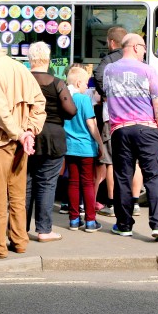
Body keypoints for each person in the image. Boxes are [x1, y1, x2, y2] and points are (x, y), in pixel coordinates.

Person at [0, 36, 46, 258]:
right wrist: (29, 131)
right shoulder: (20, 68)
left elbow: (0, 111)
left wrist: (22, 133)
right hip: (20, 141)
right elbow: (39, 104)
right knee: (17, 194)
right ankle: (19, 240)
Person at [103, 33, 158, 240]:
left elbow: (107, 95)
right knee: (155, 177)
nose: (145, 52)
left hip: (120, 130)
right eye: (144, 48)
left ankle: (123, 225)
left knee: (122, 176)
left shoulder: (109, 70)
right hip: (147, 129)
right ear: (136, 47)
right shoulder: (147, 70)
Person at [25, 42, 76, 242]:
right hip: (53, 137)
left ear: (30, 60)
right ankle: (44, 230)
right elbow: (71, 111)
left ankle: (21, 230)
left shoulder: (24, 81)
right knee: (46, 184)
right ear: (48, 59)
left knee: (26, 183)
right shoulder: (58, 83)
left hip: (27, 135)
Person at [93, 26, 143, 218]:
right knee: (135, 161)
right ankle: (135, 202)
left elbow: (98, 77)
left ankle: (113, 204)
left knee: (112, 162)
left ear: (112, 43)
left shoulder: (109, 60)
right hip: (137, 118)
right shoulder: (140, 62)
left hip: (114, 118)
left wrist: (107, 94)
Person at [65, 66, 106, 232]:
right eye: (85, 84)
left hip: (69, 147)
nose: (86, 87)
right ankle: (90, 221)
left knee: (73, 183)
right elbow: (91, 124)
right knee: (88, 183)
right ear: (78, 82)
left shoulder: (64, 98)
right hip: (86, 147)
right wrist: (100, 143)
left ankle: (74, 220)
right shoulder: (83, 100)